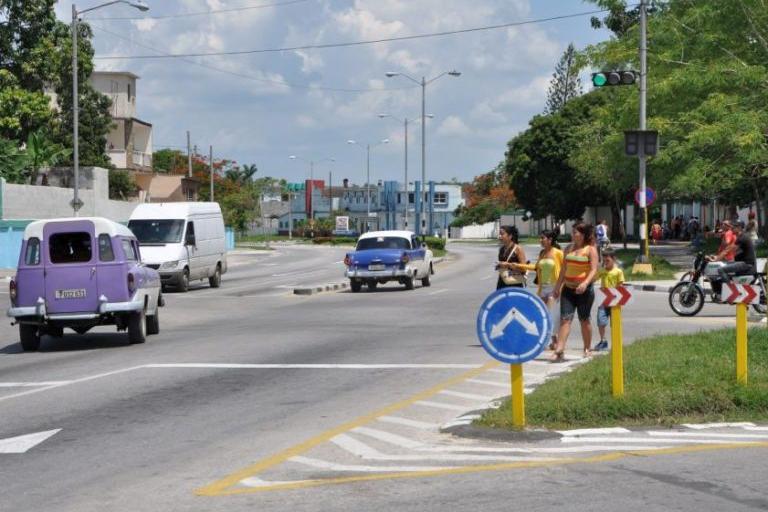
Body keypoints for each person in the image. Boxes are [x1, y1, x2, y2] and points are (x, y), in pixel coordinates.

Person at [551, 222, 600, 360]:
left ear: (583, 235)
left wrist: (585, 283)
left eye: (575, 233)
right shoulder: (568, 248)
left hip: (584, 290)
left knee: (584, 320)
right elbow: (563, 270)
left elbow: (594, 269)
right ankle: (560, 349)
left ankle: (587, 348)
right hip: (568, 289)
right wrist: (557, 287)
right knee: (565, 319)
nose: (573, 235)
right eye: (572, 233)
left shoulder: (590, 249)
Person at [512, 230, 563, 350]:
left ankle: (554, 342)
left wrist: (560, 287)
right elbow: (536, 267)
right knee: (542, 315)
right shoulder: (542, 253)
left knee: (551, 315)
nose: (540, 240)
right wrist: (518, 265)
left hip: (554, 287)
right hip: (543, 288)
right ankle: (552, 341)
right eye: (540, 238)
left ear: (550, 240)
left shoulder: (558, 253)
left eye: (543, 238)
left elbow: (565, 270)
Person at [711, 221, 756, 301]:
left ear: (739, 228)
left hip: (746, 264)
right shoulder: (741, 237)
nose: (731, 229)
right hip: (743, 262)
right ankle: (722, 288)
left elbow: (728, 249)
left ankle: (733, 291)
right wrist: (717, 257)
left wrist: (717, 259)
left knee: (721, 269)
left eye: (733, 228)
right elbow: (728, 249)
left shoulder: (742, 238)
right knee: (724, 264)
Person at [594, 249, 625, 351]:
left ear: (614, 259)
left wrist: (617, 297)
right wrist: (598, 269)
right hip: (603, 300)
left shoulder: (618, 272)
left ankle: (616, 341)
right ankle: (603, 340)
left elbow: (620, 286)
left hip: (614, 301)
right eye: (604, 261)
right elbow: (595, 278)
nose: (606, 263)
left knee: (615, 322)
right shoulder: (602, 271)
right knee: (600, 320)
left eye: (608, 261)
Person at [495, 225, 527, 290]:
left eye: (502, 234)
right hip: (502, 282)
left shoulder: (518, 249)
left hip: (515, 283)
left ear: (510, 236)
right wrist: (499, 266)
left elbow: (524, 269)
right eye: (499, 234)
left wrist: (508, 265)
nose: (499, 236)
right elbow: (502, 265)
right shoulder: (501, 249)